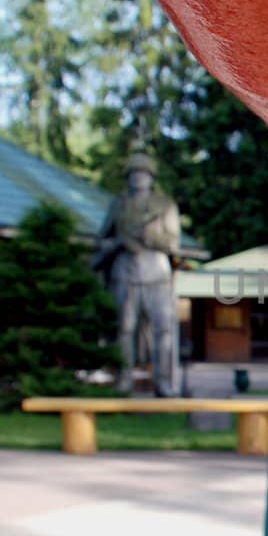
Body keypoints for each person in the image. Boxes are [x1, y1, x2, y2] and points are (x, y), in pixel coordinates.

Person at [94, 151, 181, 396]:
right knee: (124, 328)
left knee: (163, 328)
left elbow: (173, 243)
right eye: (133, 173)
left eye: (142, 173)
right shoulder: (119, 204)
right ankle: (123, 378)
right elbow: (101, 240)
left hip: (156, 271)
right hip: (126, 270)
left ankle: (163, 381)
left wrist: (148, 235)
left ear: (151, 177)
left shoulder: (165, 205)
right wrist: (114, 245)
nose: (137, 178)